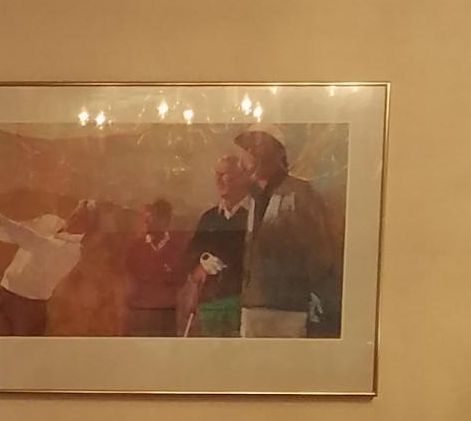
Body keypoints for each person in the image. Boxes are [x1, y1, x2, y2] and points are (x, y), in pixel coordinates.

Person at [234, 128, 339, 337]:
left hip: (289, 308)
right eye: (247, 146)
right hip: (252, 305)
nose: (251, 152)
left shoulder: (300, 192)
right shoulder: (249, 196)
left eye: (258, 144)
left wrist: (306, 287)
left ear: (279, 152)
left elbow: (321, 250)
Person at [0, 204, 93, 336]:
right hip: (3, 294)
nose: (73, 218)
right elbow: (12, 234)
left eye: (82, 217)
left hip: (27, 310)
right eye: (76, 213)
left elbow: (28, 238)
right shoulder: (51, 222)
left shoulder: (73, 251)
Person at [183, 155, 251, 337]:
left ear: (241, 178)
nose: (218, 180)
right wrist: (201, 263)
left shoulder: (254, 214)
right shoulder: (209, 218)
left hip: (242, 304)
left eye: (224, 174)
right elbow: (190, 255)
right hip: (210, 304)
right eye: (216, 174)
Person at [120, 199, 188, 337]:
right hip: (138, 317)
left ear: (165, 221)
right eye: (146, 218)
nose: (147, 222)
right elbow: (127, 282)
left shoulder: (177, 251)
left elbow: (181, 283)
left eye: (152, 218)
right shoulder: (135, 249)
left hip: (165, 319)